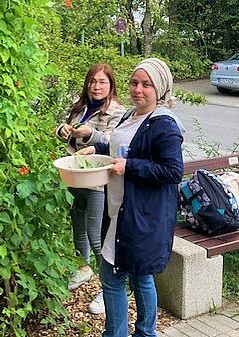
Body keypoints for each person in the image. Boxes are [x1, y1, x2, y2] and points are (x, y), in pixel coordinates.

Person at [78, 58, 185, 336]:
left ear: (159, 88)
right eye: (134, 83)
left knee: (117, 277)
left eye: (146, 84)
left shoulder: (164, 125)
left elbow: (173, 171)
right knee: (138, 276)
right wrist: (96, 145)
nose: (138, 89)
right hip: (120, 209)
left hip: (141, 216)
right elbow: (121, 145)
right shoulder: (130, 115)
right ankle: (142, 333)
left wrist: (130, 166)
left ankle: (128, 333)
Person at [55, 64, 126, 314]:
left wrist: (92, 135)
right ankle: (82, 269)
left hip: (97, 180)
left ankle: (109, 290)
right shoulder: (80, 106)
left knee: (97, 237)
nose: (97, 86)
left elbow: (115, 141)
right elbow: (62, 128)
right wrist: (62, 130)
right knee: (78, 226)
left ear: (111, 85)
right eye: (93, 82)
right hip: (75, 176)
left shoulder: (118, 112)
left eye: (102, 82)